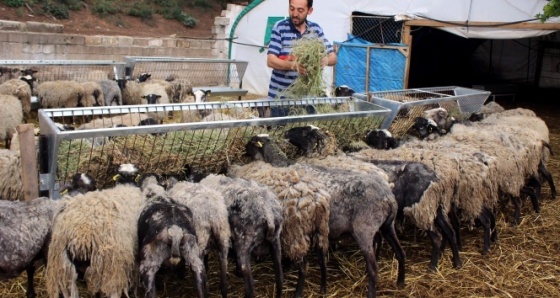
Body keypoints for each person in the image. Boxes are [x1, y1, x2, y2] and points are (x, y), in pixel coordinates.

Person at [265, 0, 337, 116]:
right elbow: (271, 60)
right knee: (279, 133)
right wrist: (294, 66)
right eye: (292, 8)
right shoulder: (279, 28)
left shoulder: (315, 30)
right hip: (281, 100)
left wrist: (326, 60)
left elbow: (333, 57)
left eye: (300, 10)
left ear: (310, 10)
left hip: (308, 100)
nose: (295, 14)